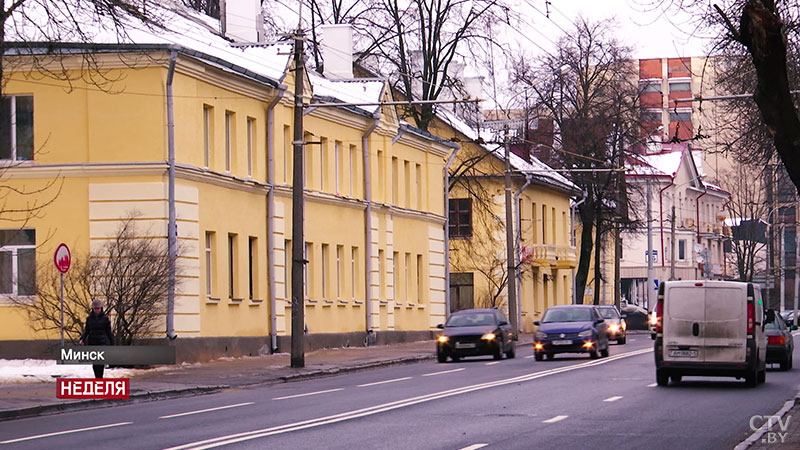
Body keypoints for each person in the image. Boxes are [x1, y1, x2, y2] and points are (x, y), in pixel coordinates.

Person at [79, 299, 114, 378]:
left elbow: (108, 331)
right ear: (93, 309)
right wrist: (82, 338)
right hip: (93, 342)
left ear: (101, 309)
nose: (97, 310)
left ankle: (99, 378)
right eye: (95, 308)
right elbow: (87, 330)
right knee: (95, 363)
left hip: (102, 342)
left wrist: (111, 342)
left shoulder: (105, 318)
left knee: (100, 362)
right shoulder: (89, 319)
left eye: (98, 308)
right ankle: (97, 377)